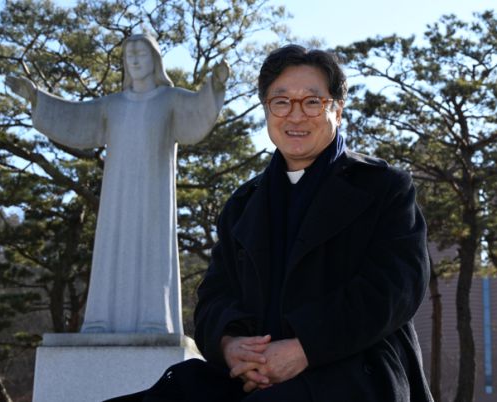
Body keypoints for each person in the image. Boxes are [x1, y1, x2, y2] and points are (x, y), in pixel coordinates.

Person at [106, 44, 433, 402]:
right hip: (249, 375)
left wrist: (304, 348)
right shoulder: (243, 204)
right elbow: (214, 296)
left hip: (356, 372)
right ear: (267, 109)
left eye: (312, 102)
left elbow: (395, 289)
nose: (295, 115)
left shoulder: (383, 188)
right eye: (281, 102)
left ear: (337, 111)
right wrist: (231, 346)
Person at [5, 33, 230, 334]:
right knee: (112, 250)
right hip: (117, 193)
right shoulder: (112, 105)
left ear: (155, 60)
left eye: (141, 53)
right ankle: (101, 322)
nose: (135, 60)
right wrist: (36, 98)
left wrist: (215, 84)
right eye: (129, 54)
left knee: (152, 249)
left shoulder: (170, 99)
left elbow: (199, 110)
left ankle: (154, 320)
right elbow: (74, 116)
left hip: (153, 192)